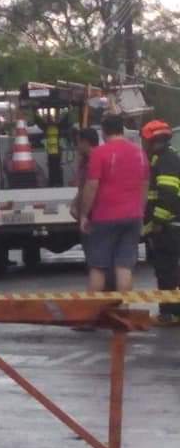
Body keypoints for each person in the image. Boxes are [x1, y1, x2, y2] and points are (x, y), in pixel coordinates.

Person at [79, 115, 148, 293]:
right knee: (124, 267)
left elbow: (91, 186)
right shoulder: (139, 153)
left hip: (105, 217)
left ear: (103, 132)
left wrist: (84, 214)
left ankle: (95, 308)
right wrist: (140, 210)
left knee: (98, 267)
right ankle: (124, 306)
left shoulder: (99, 153)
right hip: (133, 216)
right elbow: (144, 185)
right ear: (122, 129)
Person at [140, 120, 180, 324]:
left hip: (167, 226)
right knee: (167, 270)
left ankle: (170, 313)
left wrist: (157, 221)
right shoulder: (162, 158)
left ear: (152, 140)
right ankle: (172, 311)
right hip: (167, 225)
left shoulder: (166, 161)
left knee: (167, 271)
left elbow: (168, 195)